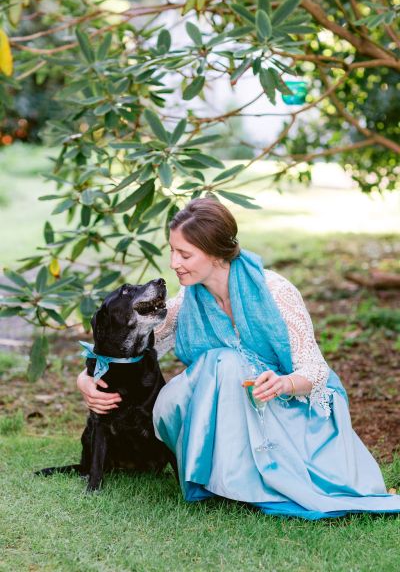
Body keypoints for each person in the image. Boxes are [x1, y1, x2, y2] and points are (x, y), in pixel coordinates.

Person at [77, 198, 400, 519]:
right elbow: (121, 351)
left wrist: (283, 382)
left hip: (290, 406)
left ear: (216, 253)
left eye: (185, 254)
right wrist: (85, 380)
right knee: (206, 373)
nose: (174, 263)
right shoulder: (186, 302)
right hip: (241, 410)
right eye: (172, 251)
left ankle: (261, 475)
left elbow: (315, 371)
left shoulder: (274, 290)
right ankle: (224, 476)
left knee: (225, 362)